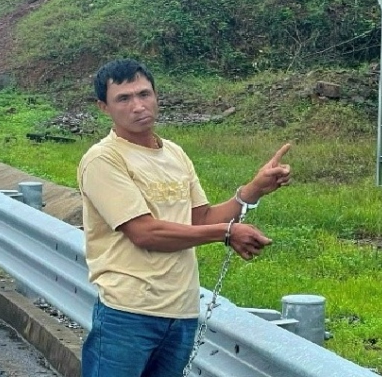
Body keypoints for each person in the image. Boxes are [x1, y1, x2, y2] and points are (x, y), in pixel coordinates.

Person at [78, 58, 292, 377]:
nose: (138, 106)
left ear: (156, 95)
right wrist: (227, 232)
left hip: (181, 312)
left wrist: (253, 190)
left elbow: (201, 219)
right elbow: (145, 233)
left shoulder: (175, 154)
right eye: (123, 98)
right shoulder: (103, 159)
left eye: (144, 94)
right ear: (103, 107)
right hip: (127, 313)